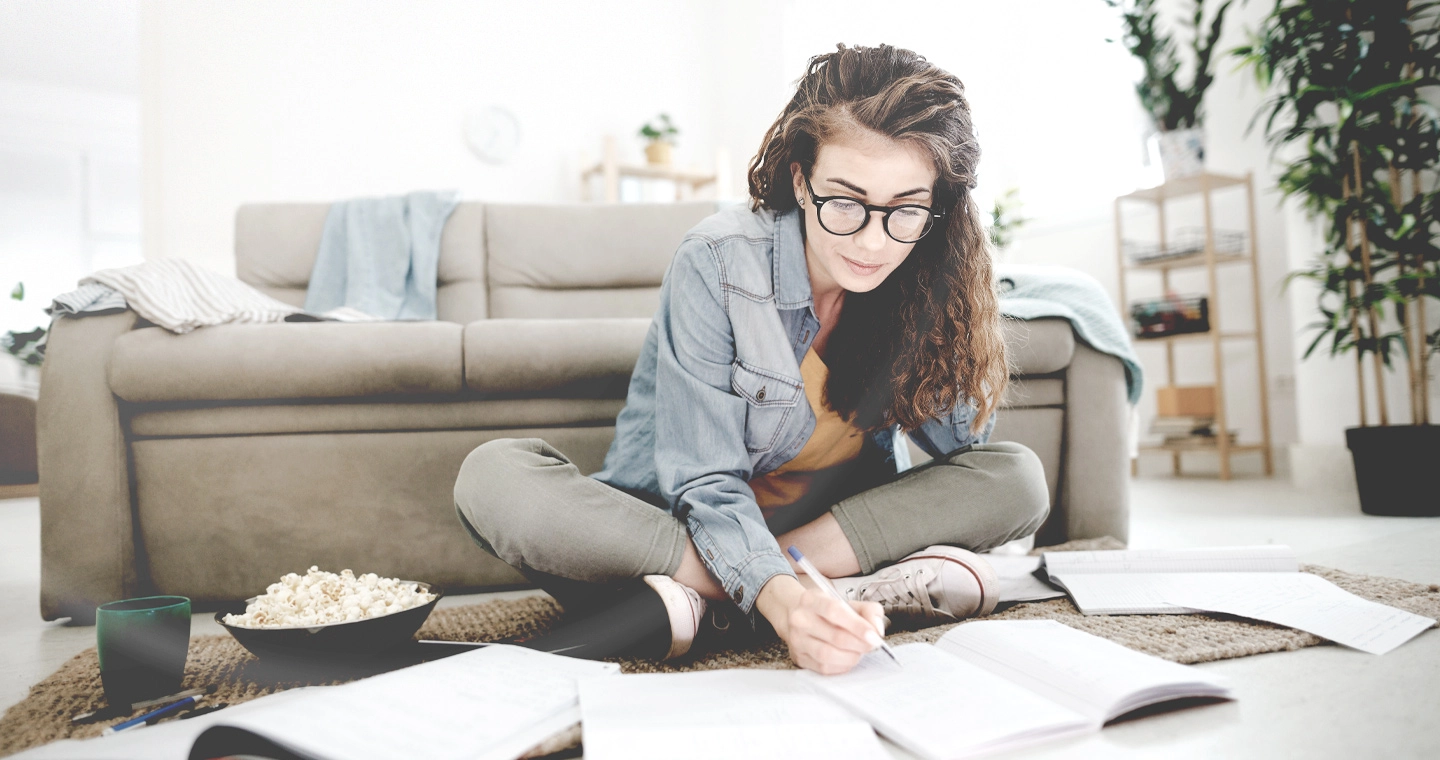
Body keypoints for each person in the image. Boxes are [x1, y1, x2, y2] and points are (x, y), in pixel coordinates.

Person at [453, 42, 1049, 675]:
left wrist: (946, 284)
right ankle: (814, 595)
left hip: (825, 529)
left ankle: (702, 606)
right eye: (845, 201)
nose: (873, 241)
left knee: (1019, 476)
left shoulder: (915, 262)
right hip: (680, 525)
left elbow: (966, 443)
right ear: (800, 179)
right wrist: (782, 596)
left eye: (905, 207)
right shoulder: (718, 260)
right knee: (491, 476)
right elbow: (704, 482)